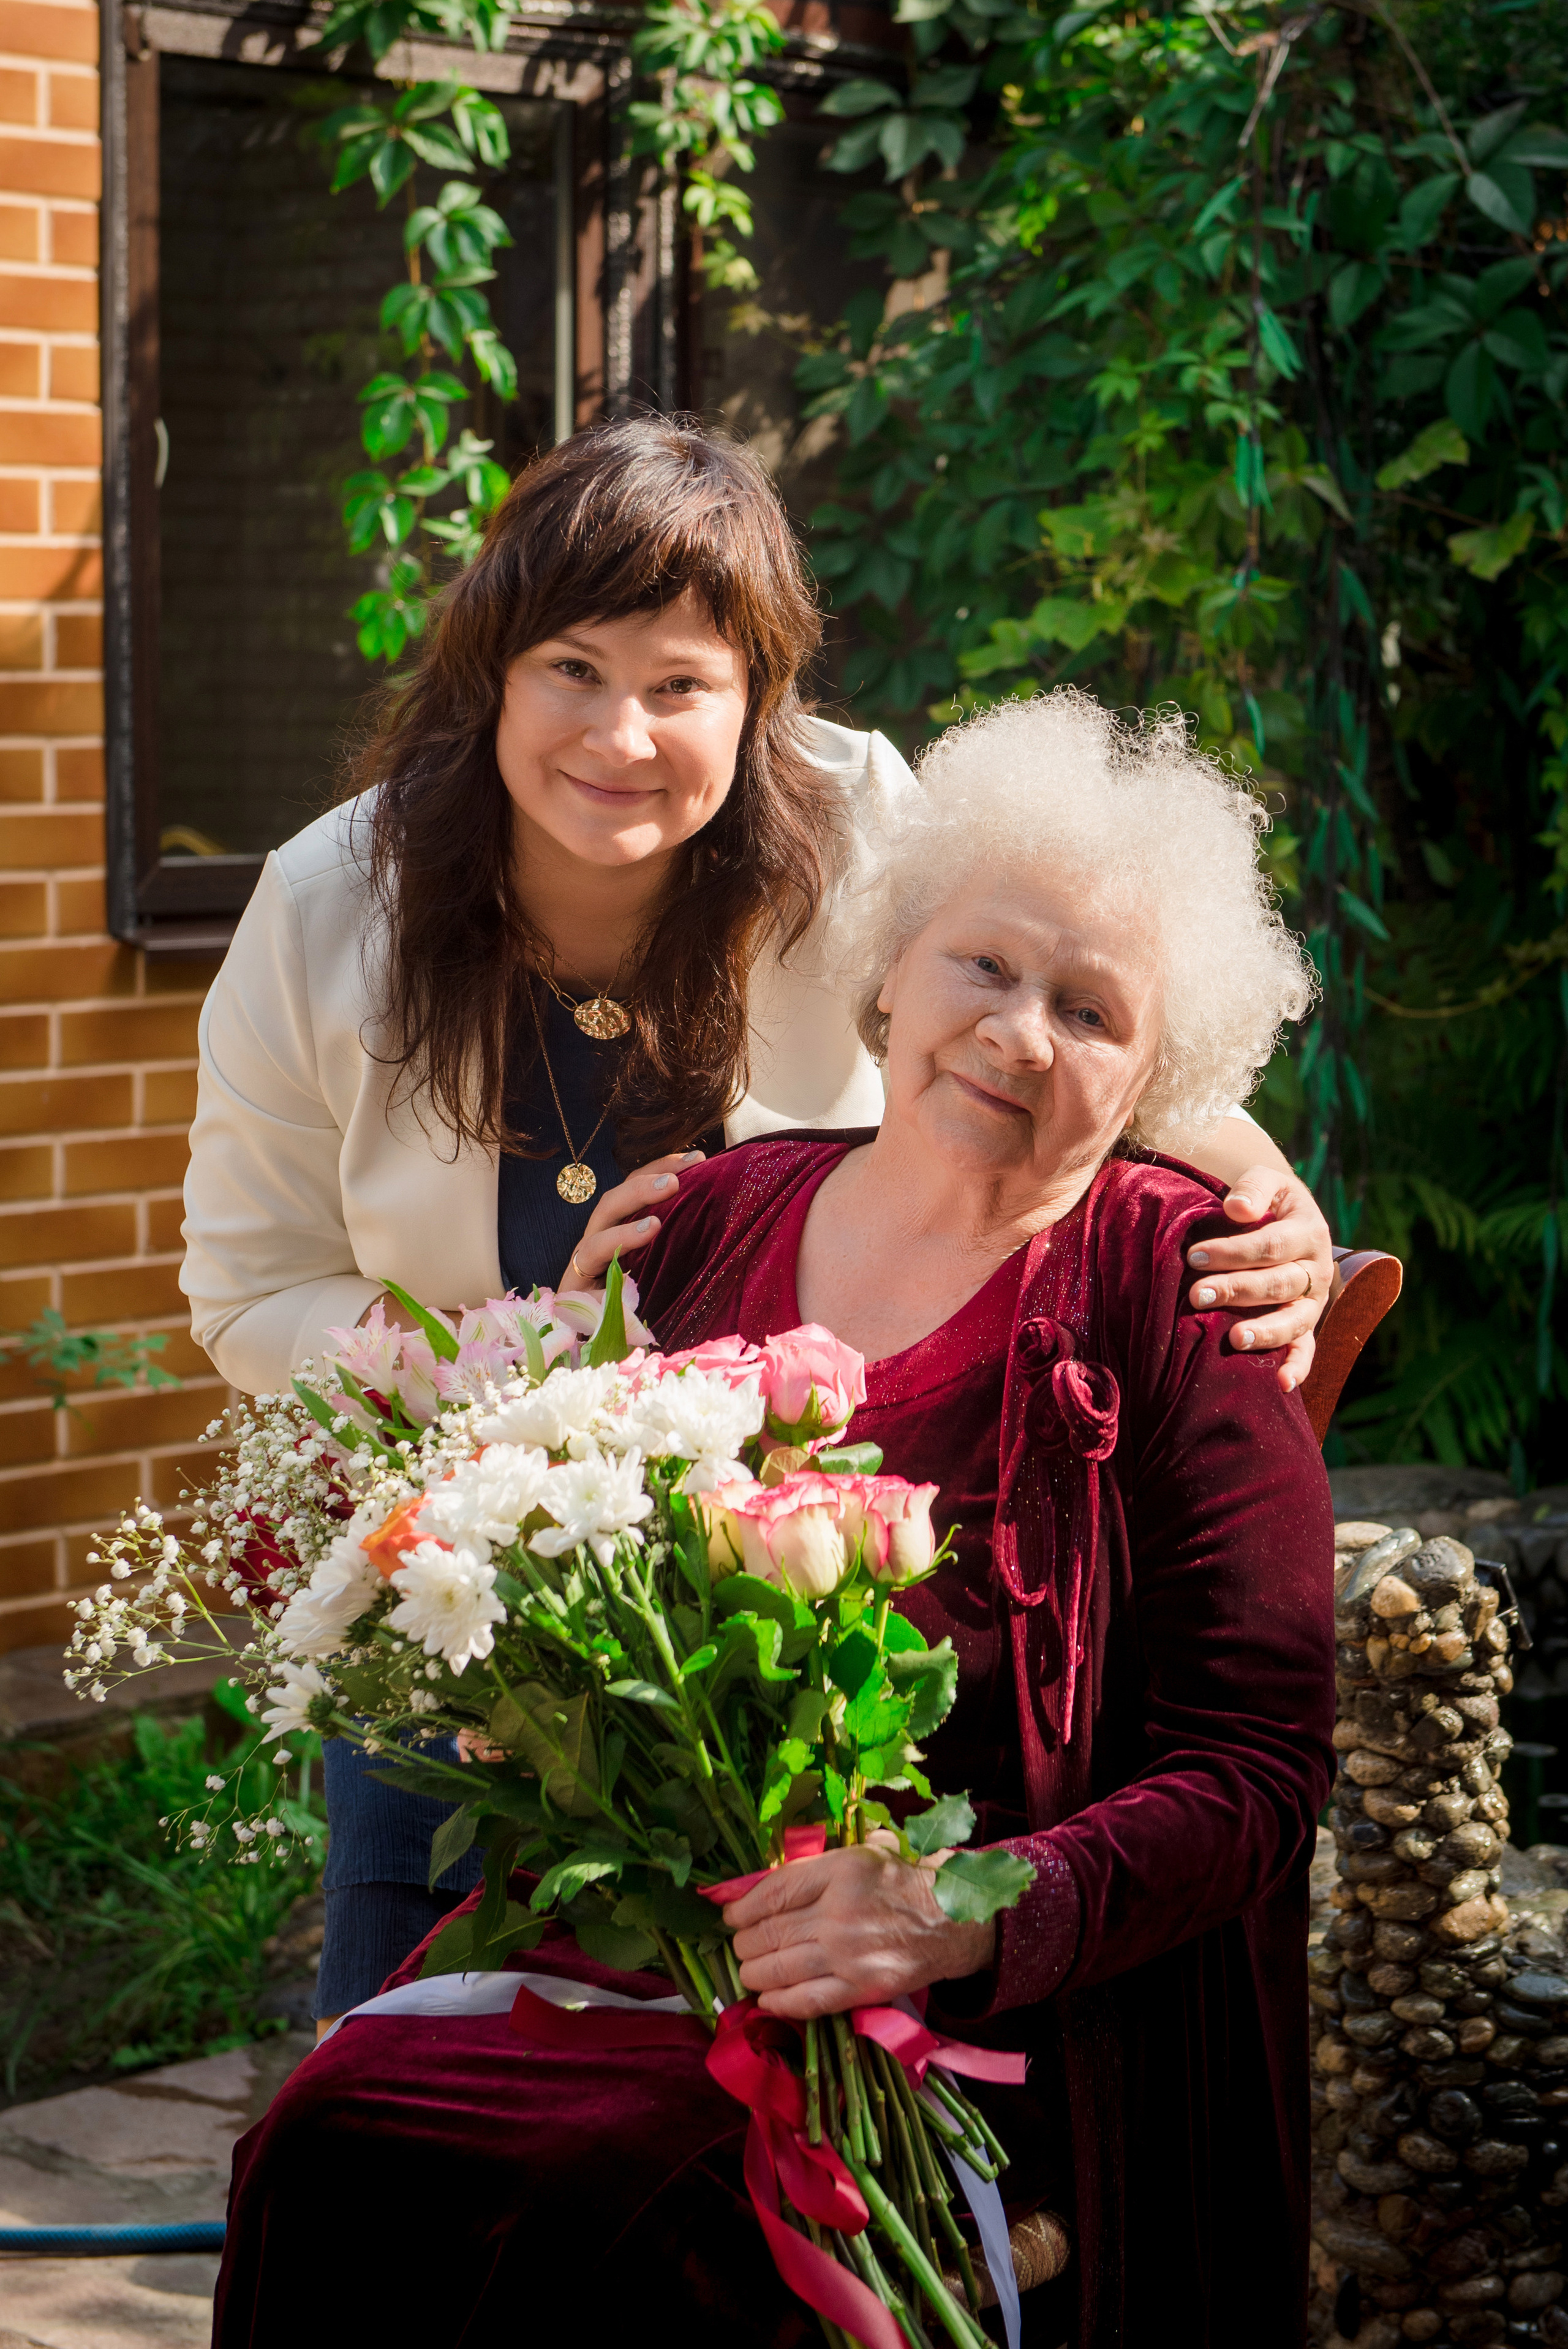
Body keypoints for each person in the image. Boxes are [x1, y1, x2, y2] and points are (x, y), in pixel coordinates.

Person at [211, 689, 1335, 2349]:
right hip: (648, 1950)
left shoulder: (1180, 1291)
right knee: (330, 2143)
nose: (1021, 1034)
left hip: (991, 2022)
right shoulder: (704, 1218)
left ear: (1158, 1074)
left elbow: (1258, 1768)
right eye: (983, 965)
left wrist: (959, 1908)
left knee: (607, 2222)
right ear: (889, 973)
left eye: (1092, 1010)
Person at [181, 417, 1334, 2026]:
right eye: (572, 669)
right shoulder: (325, 907)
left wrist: (1264, 1182)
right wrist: (513, 1377)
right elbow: (248, 1290)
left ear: (758, 698)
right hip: (480, 1587)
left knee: (740, 2066)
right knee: (403, 2042)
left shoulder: (856, 818)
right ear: (492, 670)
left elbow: (1049, 994)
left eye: (682, 684)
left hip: (788, 1609)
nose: (622, 734)